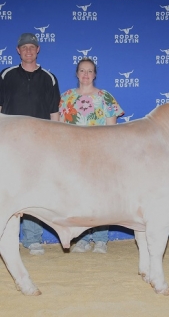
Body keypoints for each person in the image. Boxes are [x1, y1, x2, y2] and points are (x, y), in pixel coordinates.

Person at [0, 33, 60, 255]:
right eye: (24, 47)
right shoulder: (5, 75)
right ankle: (5, 237)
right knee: (6, 191)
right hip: (10, 146)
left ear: (38, 50)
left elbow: (54, 113)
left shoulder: (49, 78)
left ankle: (32, 239)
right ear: (17, 51)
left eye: (32, 47)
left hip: (40, 146)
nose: (28, 50)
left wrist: (57, 143)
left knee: (35, 191)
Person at [59, 58, 124, 254]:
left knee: (101, 197)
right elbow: (60, 128)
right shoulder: (66, 98)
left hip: (100, 154)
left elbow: (112, 130)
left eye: (89, 71)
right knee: (79, 197)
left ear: (95, 74)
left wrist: (109, 153)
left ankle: (101, 239)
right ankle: (82, 238)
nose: (86, 74)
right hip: (74, 155)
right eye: (82, 71)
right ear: (77, 74)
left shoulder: (105, 98)